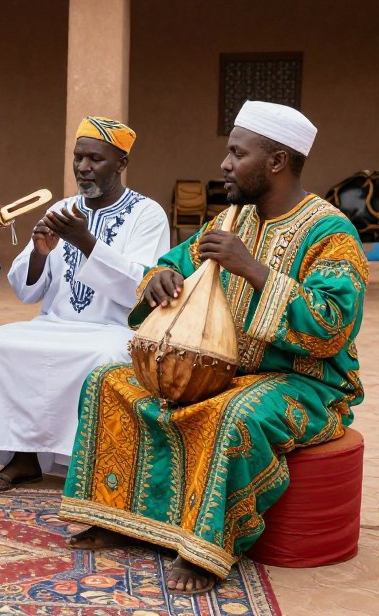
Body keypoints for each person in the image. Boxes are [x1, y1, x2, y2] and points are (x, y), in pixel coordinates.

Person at [60, 101, 368, 594]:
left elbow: (333, 326)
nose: (224, 164)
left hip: (306, 383)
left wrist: (256, 271)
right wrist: (159, 277)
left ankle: (208, 550)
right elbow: (169, 264)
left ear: (276, 161)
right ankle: (111, 517)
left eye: (236, 153)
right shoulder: (229, 221)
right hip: (219, 369)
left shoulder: (332, 232)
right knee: (107, 381)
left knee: (234, 416)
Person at [0, 117, 170, 490]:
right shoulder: (63, 208)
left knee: (102, 360)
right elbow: (27, 290)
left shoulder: (147, 214)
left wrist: (85, 242)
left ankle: (86, 462)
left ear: (122, 164)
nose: (83, 167)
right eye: (78, 158)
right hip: (55, 323)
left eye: (95, 159)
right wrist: (40, 255)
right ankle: (24, 457)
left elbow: (143, 288)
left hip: (114, 328)